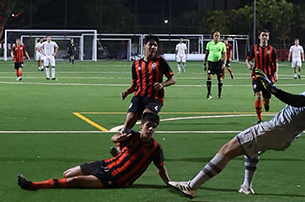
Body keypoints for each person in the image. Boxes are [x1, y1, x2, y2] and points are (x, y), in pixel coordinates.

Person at [170, 36, 305, 199]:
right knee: (251, 148)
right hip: (288, 137)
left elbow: (297, 101)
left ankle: (191, 186)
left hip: (276, 129)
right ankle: (246, 186)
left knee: (228, 149)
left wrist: (272, 88)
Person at [18, 113, 172, 191]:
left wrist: (169, 183)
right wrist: (117, 138)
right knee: (67, 174)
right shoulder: (131, 135)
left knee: (74, 181)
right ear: (141, 126)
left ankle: (34, 185)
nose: (151, 129)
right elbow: (114, 138)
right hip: (105, 164)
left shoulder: (155, 148)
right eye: (148, 125)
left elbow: (160, 168)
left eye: (154, 127)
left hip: (115, 179)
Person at [120, 35, 175, 133]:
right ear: (144, 46)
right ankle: (125, 142)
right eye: (150, 44)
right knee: (126, 126)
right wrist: (127, 92)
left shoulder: (160, 61)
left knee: (147, 118)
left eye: (155, 45)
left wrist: (162, 84)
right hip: (139, 98)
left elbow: (172, 79)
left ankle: (142, 140)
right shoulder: (136, 64)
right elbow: (135, 84)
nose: (153, 47)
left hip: (154, 99)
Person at [247, 31, 278, 123]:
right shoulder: (255, 48)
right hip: (256, 75)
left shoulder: (271, 49)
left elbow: (275, 62)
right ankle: (259, 119)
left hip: (268, 77)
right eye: (263, 35)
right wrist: (248, 64)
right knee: (258, 95)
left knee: (266, 100)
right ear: (259, 37)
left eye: (266, 35)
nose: (264, 37)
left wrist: (276, 73)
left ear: (268, 37)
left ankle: (266, 105)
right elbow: (247, 59)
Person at [204, 30, 227, 98]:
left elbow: (224, 54)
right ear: (213, 37)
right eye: (215, 36)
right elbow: (206, 54)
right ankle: (209, 93)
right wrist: (204, 63)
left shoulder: (222, 44)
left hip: (219, 63)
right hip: (211, 62)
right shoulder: (209, 44)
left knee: (219, 78)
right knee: (209, 76)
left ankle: (219, 94)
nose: (216, 37)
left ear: (220, 37)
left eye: (218, 36)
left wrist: (224, 63)